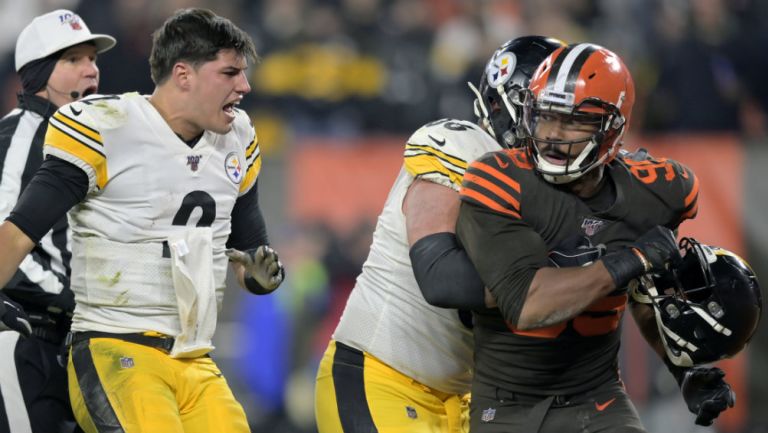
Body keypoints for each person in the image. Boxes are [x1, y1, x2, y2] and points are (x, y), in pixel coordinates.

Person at [0, 8, 284, 433]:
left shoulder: (239, 137)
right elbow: (17, 233)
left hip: (193, 356)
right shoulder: (103, 128)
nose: (244, 86)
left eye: (90, 59)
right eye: (230, 73)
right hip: (114, 344)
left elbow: (248, 257)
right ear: (184, 74)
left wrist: (260, 276)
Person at [454, 43, 736, 432]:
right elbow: (528, 304)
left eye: (573, 121)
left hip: (597, 398)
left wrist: (683, 370)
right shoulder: (498, 179)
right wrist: (629, 260)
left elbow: (645, 296)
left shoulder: (659, 191)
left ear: (612, 128)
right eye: (545, 116)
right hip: (507, 406)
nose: (553, 135)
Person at [314, 36, 564, 433]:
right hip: (383, 379)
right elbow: (440, 276)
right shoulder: (464, 145)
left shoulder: (556, 194)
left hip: (461, 400)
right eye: (552, 113)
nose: (563, 131)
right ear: (508, 105)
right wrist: (556, 282)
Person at [0, 9, 115, 433]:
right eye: (73, 60)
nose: (91, 70)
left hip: (78, 341)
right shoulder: (20, 136)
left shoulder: (93, 144)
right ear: (39, 73)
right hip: (26, 336)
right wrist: (75, 301)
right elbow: (4, 240)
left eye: (93, 60)